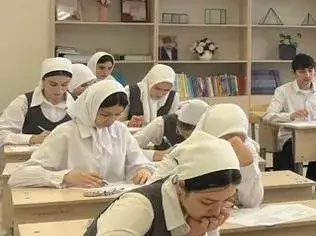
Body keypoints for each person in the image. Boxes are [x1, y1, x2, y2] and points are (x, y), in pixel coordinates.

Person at [68, 136, 242, 236]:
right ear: (181, 187)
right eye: (207, 202)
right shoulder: (138, 206)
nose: (217, 212)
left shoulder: (207, 210)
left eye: (227, 201)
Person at [11, 79, 154, 188]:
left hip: (114, 201)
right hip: (74, 204)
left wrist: (143, 171)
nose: (111, 121)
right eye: (105, 114)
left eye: (117, 115)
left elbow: (140, 163)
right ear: (90, 107)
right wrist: (65, 177)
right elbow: (19, 176)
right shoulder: (66, 133)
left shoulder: (120, 130)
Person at [150, 105, 264, 208]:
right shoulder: (184, 153)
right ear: (209, 134)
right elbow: (153, 194)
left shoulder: (245, 150)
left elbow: (252, 202)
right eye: (225, 139)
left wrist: (248, 167)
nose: (231, 145)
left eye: (240, 139)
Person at [263, 53, 316, 178]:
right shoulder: (282, 91)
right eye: (302, 72)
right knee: (287, 154)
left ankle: (310, 181)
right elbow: (268, 116)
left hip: (315, 136)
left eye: (310, 71)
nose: (307, 75)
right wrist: (290, 116)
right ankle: (291, 182)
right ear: (294, 73)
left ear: (315, 71)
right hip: (290, 137)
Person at [0, 57, 75, 147]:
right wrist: (33, 138)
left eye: (64, 84)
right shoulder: (24, 102)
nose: (59, 90)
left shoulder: (78, 103)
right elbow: (2, 135)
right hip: (30, 155)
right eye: (53, 84)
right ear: (43, 81)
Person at [134, 99, 208, 156]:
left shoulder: (211, 128)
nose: (187, 138)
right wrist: (158, 154)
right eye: (181, 132)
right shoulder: (161, 123)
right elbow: (130, 148)